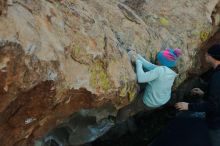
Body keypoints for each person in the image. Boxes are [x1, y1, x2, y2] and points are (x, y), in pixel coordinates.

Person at [116, 48, 182, 122]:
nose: (156, 61)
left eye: (158, 60)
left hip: (150, 101)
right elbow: (151, 66)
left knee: (127, 108)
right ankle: (136, 112)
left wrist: (138, 63)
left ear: (163, 63)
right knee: (140, 105)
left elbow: (141, 78)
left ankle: (118, 121)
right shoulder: (171, 71)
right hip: (162, 100)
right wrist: (137, 56)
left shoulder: (160, 70)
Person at [175, 44, 220, 146]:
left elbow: (214, 105)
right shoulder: (217, 73)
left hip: (217, 123)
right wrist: (204, 94)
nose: (205, 55)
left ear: (213, 57)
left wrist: (189, 106)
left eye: (207, 54)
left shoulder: (217, 77)